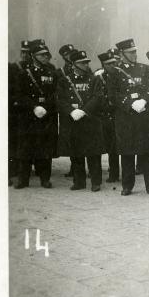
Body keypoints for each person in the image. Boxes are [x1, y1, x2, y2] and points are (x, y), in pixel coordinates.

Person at [109, 38, 149, 196]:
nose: (134, 54)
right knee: (127, 153)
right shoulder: (114, 72)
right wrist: (129, 104)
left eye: (135, 52)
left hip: (145, 117)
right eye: (130, 52)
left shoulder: (144, 69)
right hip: (126, 118)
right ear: (122, 54)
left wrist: (144, 100)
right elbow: (112, 95)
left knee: (148, 153)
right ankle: (127, 185)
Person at [56, 50, 106, 192]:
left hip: (90, 120)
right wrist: (71, 111)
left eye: (86, 62)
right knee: (76, 153)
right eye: (82, 63)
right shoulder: (65, 81)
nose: (85, 65)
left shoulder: (94, 79)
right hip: (73, 121)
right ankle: (79, 182)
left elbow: (98, 97)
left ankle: (96, 182)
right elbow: (60, 100)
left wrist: (84, 110)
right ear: (73, 64)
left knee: (93, 154)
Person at [14, 39, 58, 189]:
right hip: (29, 116)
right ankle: (23, 179)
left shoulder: (51, 72)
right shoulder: (24, 73)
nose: (45, 57)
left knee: (45, 149)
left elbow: (55, 93)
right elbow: (19, 95)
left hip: (46, 116)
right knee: (25, 148)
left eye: (46, 55)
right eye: (41, 55)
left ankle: (45, 179)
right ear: (33, 56)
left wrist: (45, 107)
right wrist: (34, 107)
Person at [94, 49, 120, 183]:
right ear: (103, 65)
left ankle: (114, 174)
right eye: (109, 64)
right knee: (98, 145)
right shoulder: (98, 77)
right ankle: (95, 174)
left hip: (115, 115)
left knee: (113, 147)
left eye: (114, 63)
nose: (113, 66)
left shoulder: (120, 75)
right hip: (101, 115)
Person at [9, 40, 32, 186]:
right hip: (14, 111)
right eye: (23, 52)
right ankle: (12, 171)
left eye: (28, 53)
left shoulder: (37, 69)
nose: (25, 55)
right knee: (13, 141)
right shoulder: (12, 68)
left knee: (25, 142)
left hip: (29, 112)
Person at [56, 44, 78, 178]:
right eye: (69, 54)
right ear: (64, 57)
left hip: (81, 109)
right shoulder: (60, 72)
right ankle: (74, 167)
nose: (71, 56)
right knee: (71, 139)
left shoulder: (83, 69)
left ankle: (80, 168)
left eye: (73, 53)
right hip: (67, 111)